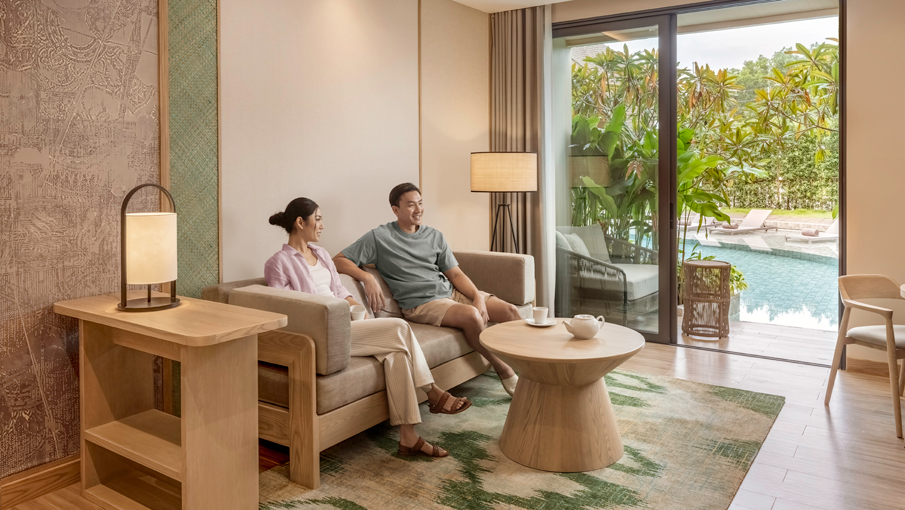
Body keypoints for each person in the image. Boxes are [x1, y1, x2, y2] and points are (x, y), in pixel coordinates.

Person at [265, 197, 470, 459]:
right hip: (323, 335)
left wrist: (355, 310)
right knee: (400, 328)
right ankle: (433, 391)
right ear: (299, 222)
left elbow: (339, 291)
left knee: (397, 354)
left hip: (347, 325)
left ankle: (408, 438)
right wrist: (332, 315)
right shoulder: (279, 262)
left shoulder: (322, 254)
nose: (322, 225)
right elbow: (287, 310)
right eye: (318, 219)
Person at [333, 183, 522, 397]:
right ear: (395, 210)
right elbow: (338, 260)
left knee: (511, 311)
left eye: (420, 203)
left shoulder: (434, 236)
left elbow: (455, 275)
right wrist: (366, 277)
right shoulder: (379, 237)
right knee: (471, 315)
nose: (418, 209)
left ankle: (534, 369)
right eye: (411, 205)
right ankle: (504, 370)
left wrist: (477, 297)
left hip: (450, 293)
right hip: (422, 304)